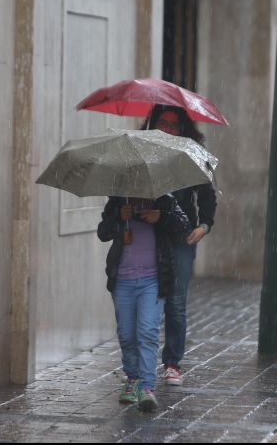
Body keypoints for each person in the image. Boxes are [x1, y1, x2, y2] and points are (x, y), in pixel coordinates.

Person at [141, 105, 217, 386]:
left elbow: (207, 195)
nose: (168, 129)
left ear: (183, 128)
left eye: (174, 125)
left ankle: (172, 362)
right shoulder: (141, 150)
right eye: (163, 123)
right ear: (153, 123)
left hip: (180, 236)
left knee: (175, 301)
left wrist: (204, 225)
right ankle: (138, 362)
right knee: (146, 299)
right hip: (146, 234)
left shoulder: (193, 154)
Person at [97, 194, 190, 411]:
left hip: (153, 280)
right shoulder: (118, 201)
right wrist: (119, 217)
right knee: (126, 334)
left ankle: (147, 387)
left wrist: (161, 217)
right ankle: (132, 379)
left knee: (147, 332)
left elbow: (183, 227)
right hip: (122, 280)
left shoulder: (165, 201)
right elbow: (103, 232)